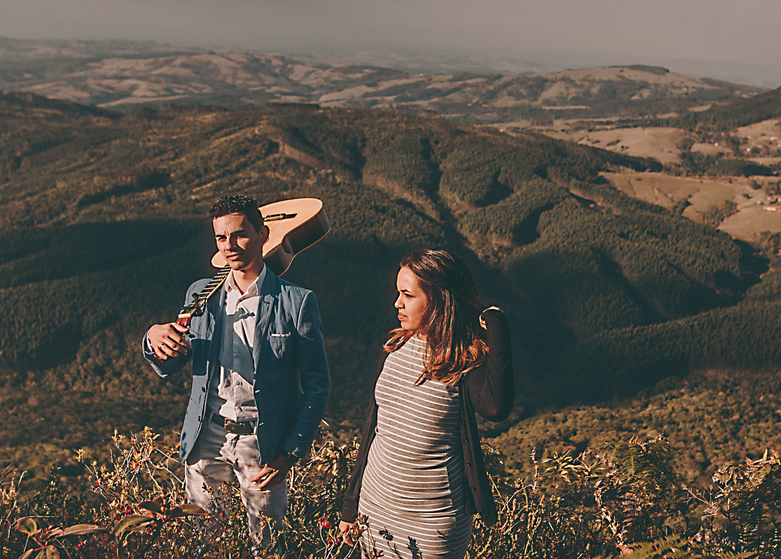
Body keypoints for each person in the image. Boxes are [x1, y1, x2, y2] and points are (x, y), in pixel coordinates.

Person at [143, 194, 330, 555]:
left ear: (263, 234)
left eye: (240, 235)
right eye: (221, 238)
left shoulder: (296, 302)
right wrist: (153, 338)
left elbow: (317, 386)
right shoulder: (201, 294)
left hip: (263, 441)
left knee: (267, 547)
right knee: (204, 543)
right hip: (206, 435)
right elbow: (170, 362)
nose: (230, 246)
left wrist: (289, 453)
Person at [339, 248, 513, 559]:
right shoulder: (395, 346)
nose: (397, 303)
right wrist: (350, 506)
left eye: (407, 294)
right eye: (398, 293)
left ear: (438, 300)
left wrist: (497, 326)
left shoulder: (463, 362)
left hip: (432, 524)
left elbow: (495, 407)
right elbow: (373, 430)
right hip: (373, 510)